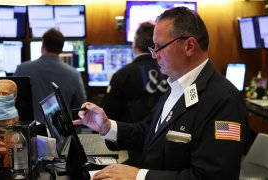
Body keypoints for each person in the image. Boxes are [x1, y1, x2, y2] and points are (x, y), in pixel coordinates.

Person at [74, 7, 249, 180]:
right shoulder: (176, 87)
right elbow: (148, 133)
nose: (154, 55)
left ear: (189, 46)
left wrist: (139, 176)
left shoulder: (224, 101)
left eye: (159, 47)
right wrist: (107, 127)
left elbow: (212, 176)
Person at [101, 22, 168, 166]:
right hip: (167, 151)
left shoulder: (122, 75)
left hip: (132, 150)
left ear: (135, 44)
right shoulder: (170, 71)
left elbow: (108, 115)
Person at [14, 28, 86, 123]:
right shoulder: (74, 74)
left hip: (30, 133)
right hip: (61, 134)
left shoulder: (21, 69)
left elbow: (11, 103)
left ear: (43, 45)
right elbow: (81, 106)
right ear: (61, 48)